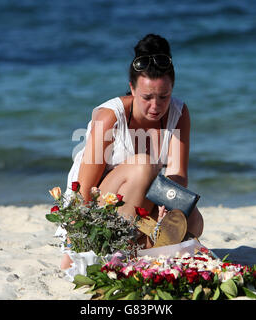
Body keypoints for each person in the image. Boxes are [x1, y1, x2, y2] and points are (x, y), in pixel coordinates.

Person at [59, 34, 204, 270]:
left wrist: (168, 207)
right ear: (132, 89)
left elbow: (178, 175)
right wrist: (76, 241)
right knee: (144, 165)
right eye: (147, 97)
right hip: (99, 207)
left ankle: (139, 248)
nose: (155, 106)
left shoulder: (179, 112)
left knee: (194, 221)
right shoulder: (110, 117)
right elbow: (84, 189)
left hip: (141, 206)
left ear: (172, 89)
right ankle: (115, 248)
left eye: (163, 97)